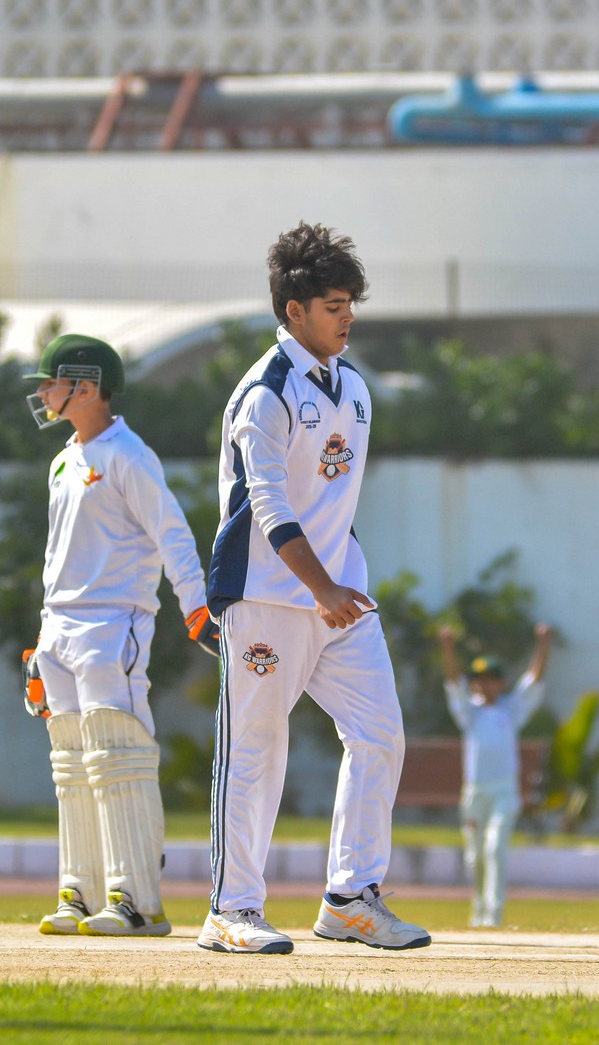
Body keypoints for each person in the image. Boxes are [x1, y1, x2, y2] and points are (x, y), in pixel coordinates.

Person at [198, 222, 430, 956]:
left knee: (380, 733)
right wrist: (321, 586)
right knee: (256, 748)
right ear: (294, 310)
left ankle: (350, 898)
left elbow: (334, 502)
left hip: (340, 598)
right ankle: (232, 910)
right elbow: (268, 507)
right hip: (267, 598)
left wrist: (337, 586)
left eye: (351, 303)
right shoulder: (263, 394)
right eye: (334, 305)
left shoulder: (354, 388)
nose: (347, 316)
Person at [20, 333, 219, 938]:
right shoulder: (63, 461)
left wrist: (196, 606)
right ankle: (78, 894)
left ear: (86, 387)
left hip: (114, 622)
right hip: (61, 626)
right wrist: (42, 639)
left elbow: (172, 533)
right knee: (70, 763)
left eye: (51, 382)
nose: (43, 393)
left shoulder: (129, 454)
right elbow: (58, 556)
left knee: (118, 754)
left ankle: (137, 902)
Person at [437, 622, 553, 928]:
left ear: (500, 683)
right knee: (475, 855)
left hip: (504, 791)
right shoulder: (469, 711)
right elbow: (454, 682)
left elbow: (533, 680)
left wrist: (544, 644)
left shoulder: (511, 710)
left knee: (495, 847)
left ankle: (494, 912)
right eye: (479, 681)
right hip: (475, 793)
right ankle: (478, 908)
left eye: (490, 680)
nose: (484, 685)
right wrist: (447, 647)